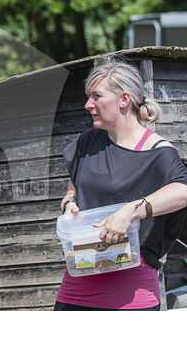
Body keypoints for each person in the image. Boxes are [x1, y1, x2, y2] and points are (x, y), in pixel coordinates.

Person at [54, 58, 187, 311]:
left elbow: (183, 190)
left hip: (130, 294)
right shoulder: (88, 141)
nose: (88, 104)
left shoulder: (157, 151)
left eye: (96, 96)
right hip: (77, 285)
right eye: (88, 96)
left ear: (124, 99)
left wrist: (129, 212)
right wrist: (69, 205)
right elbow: (72, 192)